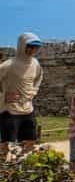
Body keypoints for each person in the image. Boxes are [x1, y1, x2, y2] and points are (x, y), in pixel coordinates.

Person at [0, 33, 44, 161]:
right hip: (10, 109)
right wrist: (3, 96)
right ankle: (2, 169)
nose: (33, 50)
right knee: (6, 143)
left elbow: (39, 77)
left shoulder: (35, 63)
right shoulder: (9, 64)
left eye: (36, 47)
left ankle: (17, 162)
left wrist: (33, 92)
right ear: (22, 46)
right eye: (29, 46)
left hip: (27, 108)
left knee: (31, 140)